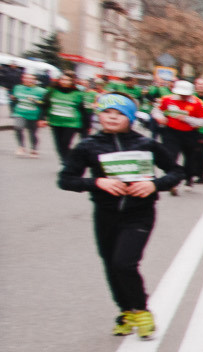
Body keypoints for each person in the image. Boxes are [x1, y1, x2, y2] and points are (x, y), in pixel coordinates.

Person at [57, 94, 184, 337]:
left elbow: (177, 171)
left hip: (139, 214)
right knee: (110, 265)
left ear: (131, 117)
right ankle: (126, 311)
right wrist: (97, 182)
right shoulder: (88, 145)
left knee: (124, 263)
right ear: (99, 115)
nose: (112, 117)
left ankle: (142, 311)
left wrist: (155, 185)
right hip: (106, 214)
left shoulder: (146, 144)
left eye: (119, 113)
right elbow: (65, 180)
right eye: (106, 112)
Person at [154, 80, 203, 186]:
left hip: (189, 134)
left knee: (190, 157)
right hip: (171, 132)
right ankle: (170, 178)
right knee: (170, 155)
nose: (183, 96)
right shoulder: (167, 99)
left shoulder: (198, 103)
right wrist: (160, 117)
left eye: (185, 94)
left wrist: (187, 119)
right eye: (180, 94)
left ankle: (188, 178)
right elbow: (156, 111)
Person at [44, 71, 95, 161]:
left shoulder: (77, 93)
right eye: (63, 79)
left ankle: (67, 162)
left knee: (65, 143)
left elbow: (82, 110)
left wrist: (87, 125)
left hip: (71, 123)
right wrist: (42, 118)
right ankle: (66, 160)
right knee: (58, 145)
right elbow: (45, 104)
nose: (64, 82)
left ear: (72, 82)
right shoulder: (52, 91)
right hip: (56, 122)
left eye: (68, 80)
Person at [11, 73, 46, 156]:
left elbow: (44, 103)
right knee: (18, 128)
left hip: (33, 115)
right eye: (26, 78)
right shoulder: (17, 88)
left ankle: (34, 149)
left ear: (34, 80)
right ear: (23, 79)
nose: (28, 80)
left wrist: (35, 101)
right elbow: (15, 100)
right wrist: (14, 99)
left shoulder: (41, 91)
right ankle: (21, 147)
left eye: (31, 79)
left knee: (32, 133)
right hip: (19, 112)